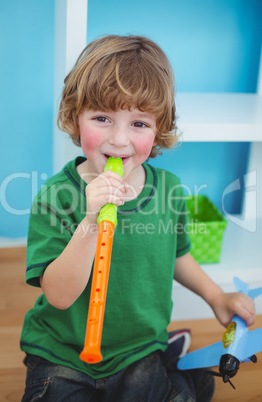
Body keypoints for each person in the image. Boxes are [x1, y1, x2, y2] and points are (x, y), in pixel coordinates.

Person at [20, 35, 255, 402]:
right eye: (102, 118)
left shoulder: (169, 190)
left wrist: (216, 298)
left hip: (139, 351)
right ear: (74, 117)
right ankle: (177, 372)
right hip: (63, 354)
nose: (118, 140)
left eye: (139, 124)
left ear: (159, 128)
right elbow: (59, 295)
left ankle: (176, 370)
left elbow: (176, 254)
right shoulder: (56, 197)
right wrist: (91, 220)